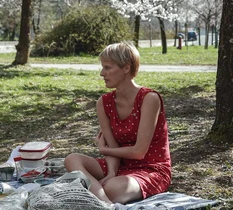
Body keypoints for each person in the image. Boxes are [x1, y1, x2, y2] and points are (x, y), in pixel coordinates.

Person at [64, 42, 171, 204]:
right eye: (102, 68)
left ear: (126, 68)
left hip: (151, 168)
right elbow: (113, 148)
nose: (102, 73)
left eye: (107, 67)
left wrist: (103, 149)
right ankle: (105, 204)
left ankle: (97, 196)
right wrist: (112, 172)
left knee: (113, 188)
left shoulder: (149, 98)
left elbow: (139, 152)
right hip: (119, 165)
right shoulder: (104, 102)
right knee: (72, 159)